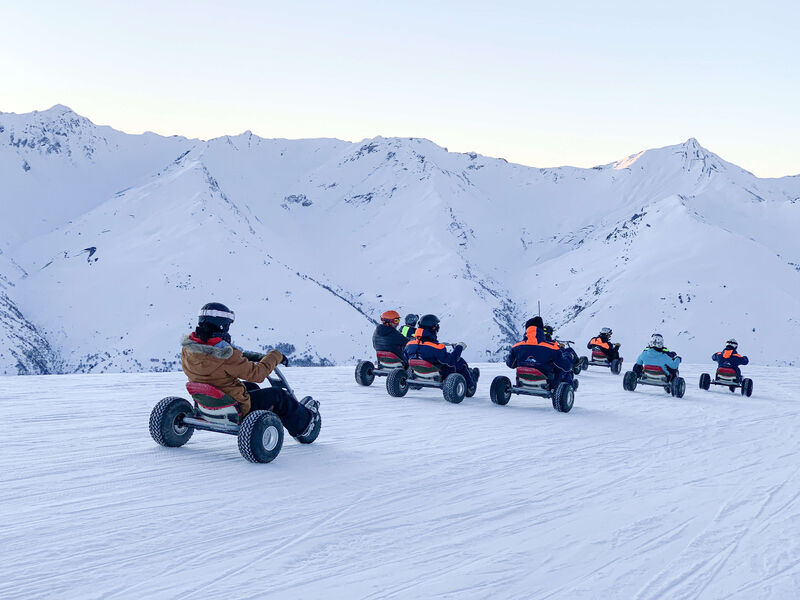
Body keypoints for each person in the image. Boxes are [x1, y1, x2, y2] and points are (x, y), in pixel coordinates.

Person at [180, 302, 320, 442]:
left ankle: (264, 416)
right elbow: (257, 374)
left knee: (251, 388)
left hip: (207, 402)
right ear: (222, 325)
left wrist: (246, 357)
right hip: (234, 408)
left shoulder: (189, 350)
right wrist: (276, 356)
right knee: (279, 395)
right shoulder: (226, 356)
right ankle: (306, 425)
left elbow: (225, 360)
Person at [403, 314, 479, 394]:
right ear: (433, 328)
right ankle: (470, 386)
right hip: (439, 376)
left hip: (417, 373)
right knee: (460, 362)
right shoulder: (437, 347)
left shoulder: (409, 344)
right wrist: (459, 347)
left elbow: (405, 359)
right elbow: (451, 360)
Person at [506, 318, 574, 390]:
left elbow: (510, 364)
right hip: (549, 384)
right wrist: (568, 356)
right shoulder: (552, 347)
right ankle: (568, 390)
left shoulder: (516, 347)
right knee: (567, 371)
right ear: (541, 329)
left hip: (522, 381)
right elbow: (567, 366)